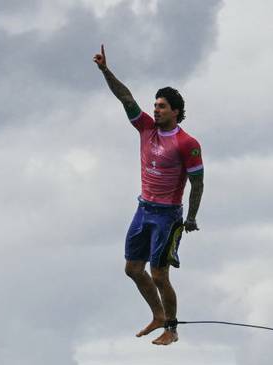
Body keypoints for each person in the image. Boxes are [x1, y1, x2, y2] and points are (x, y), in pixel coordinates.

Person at [93, 44, 204, 346]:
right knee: (132, 269)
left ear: (176, 112)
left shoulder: (187, 143)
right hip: (143, 209)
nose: (156, 110)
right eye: (155, 105)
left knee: (159, 274)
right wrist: (105, 70)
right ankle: (157, 314)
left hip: (168, 216)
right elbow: (125, 97)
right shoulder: (145, 128)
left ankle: (172, 327)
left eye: (162, 106)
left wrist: (191, 217)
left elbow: (198, 183)